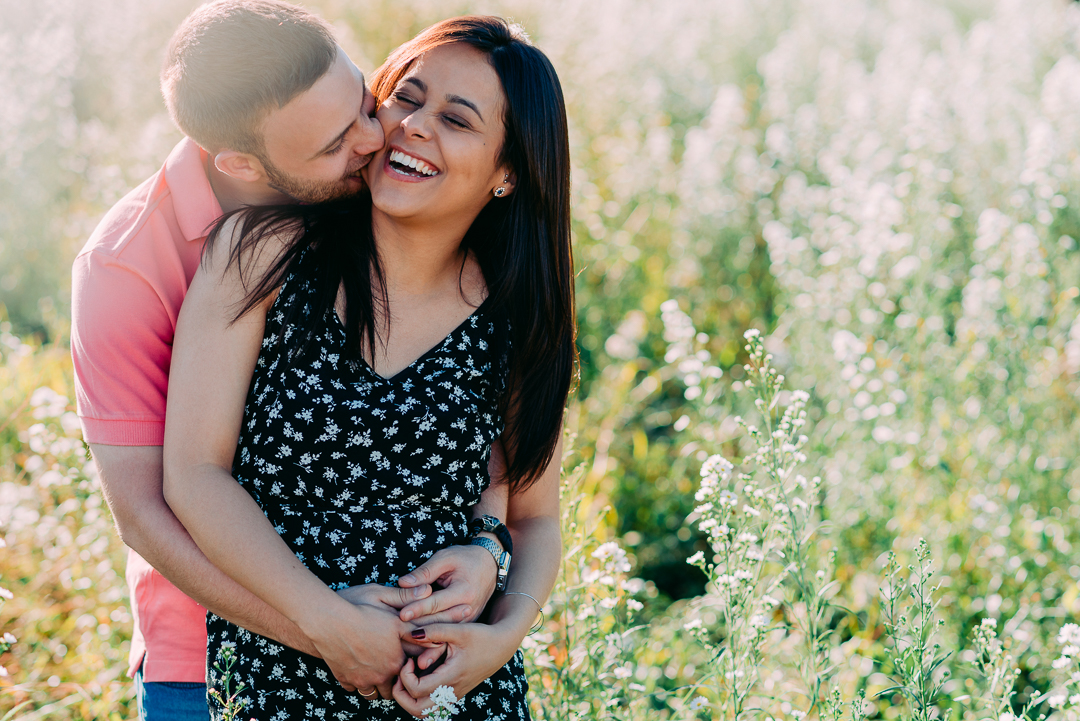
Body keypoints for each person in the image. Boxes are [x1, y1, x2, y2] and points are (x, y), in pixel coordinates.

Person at [70, 3, 502, 719]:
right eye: (338, 143)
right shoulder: (126, 268)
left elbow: (470, 419)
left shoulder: (365, 184)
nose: (374, 140)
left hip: (401, 649)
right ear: (242, 163)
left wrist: (489, 548)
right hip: (208, 662)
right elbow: (147, 511)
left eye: (365, 100)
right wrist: (324, 628)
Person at [162, 14, 575, 720]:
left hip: (450, 689)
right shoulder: (265, 254)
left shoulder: (515, 315)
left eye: (457, 119)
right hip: (281, 675)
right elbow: (196, 474)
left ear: (508, 171)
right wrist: (323, 619)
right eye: (406, 97)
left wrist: (501, 633)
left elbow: (535, 517)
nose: (413, 126)